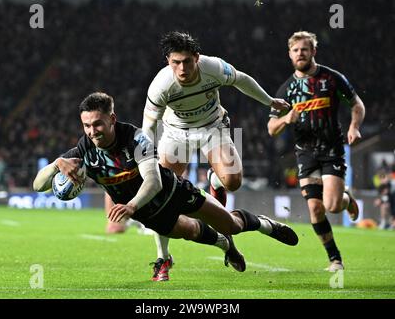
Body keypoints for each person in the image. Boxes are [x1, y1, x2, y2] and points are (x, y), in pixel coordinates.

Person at [33, 92, 298, 279]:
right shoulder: (84, 151)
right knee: (193, 232)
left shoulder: (135, 139)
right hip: (147, 214)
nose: (92, 132)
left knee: (232, 225)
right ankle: (225, 247)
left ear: (112, 119)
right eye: (87, 126)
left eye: (98, 124)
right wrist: (58, 163)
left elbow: (154, 180)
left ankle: (266, 225)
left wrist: (130, 206)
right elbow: (38, 185)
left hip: (174, 193)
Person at [138, 31, 290, 280]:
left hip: (212, 127)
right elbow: (148, 126)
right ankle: (162, 258)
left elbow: (241, 80)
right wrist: (146, 159)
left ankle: (215, 179)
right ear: (168, 61)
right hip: (176, 134)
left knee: (233, 182)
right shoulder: (161, 85)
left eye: (187, 61)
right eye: (176, 62)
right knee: (161, 194)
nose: (182, 68)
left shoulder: (213, 67)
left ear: (197, 58)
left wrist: (269, 101)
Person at [267, 31, 366, 272]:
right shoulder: (286, 90)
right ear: (289, 55)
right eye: (296, 50)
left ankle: (346, 198)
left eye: (305, 49)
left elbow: (357, 104)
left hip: (332, 149)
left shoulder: (331, 78)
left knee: (332, 206)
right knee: (315, 207)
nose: (300, 53)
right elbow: (271, 128)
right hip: (306, 153)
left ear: (313, 51)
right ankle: (335, 259)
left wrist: (354, 127)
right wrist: (285, 119)